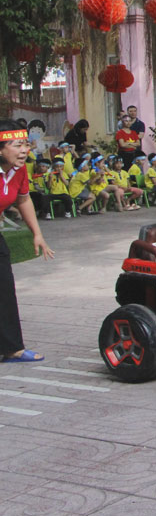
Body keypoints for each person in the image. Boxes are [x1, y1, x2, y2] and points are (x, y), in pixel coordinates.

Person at [0, 122, 54, 363]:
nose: (24, 150)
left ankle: (12, 349)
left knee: (4, 288)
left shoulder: (19, 170)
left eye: (25, 144)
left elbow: (23, 200)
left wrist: (37, 233)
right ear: (1, 149)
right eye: (17, 145)